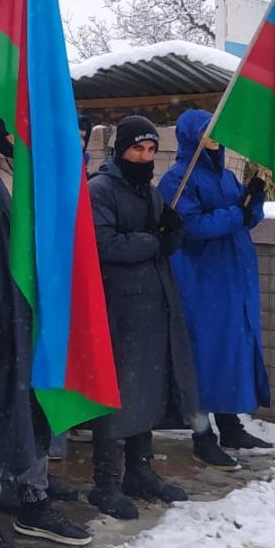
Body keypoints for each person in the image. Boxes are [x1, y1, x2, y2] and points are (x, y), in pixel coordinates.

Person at [0, 115, 92, 548]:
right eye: (16, 128)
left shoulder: (40, 181)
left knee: (38, 409)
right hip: (0, 320)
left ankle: (33, 499)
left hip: (40, 318)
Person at [88, 115, 213, 521]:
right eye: (136, 149)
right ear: (119, 149)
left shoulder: (150, 192)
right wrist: (153, 241)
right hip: (119, 309)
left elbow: (162, 244)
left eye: (150, 150)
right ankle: (106, 482)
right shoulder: (100, 190)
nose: (144, 157)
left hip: (154, 305)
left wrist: (172, 233)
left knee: (148, 390)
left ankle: (139, 471)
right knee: (116, 394)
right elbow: (104, 243)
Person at [159, 109, 275, 455]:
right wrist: (238, 213)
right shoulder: (178, 179)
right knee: (202, 358)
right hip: (201, 282)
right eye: (206, 130)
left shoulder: (226, 177)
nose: (214, 135)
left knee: (230, 355)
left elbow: (246, 220)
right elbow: (192, 227)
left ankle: (230, 426)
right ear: (190, 135)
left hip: (232, 281)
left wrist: (255, 199)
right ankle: (202, 436)